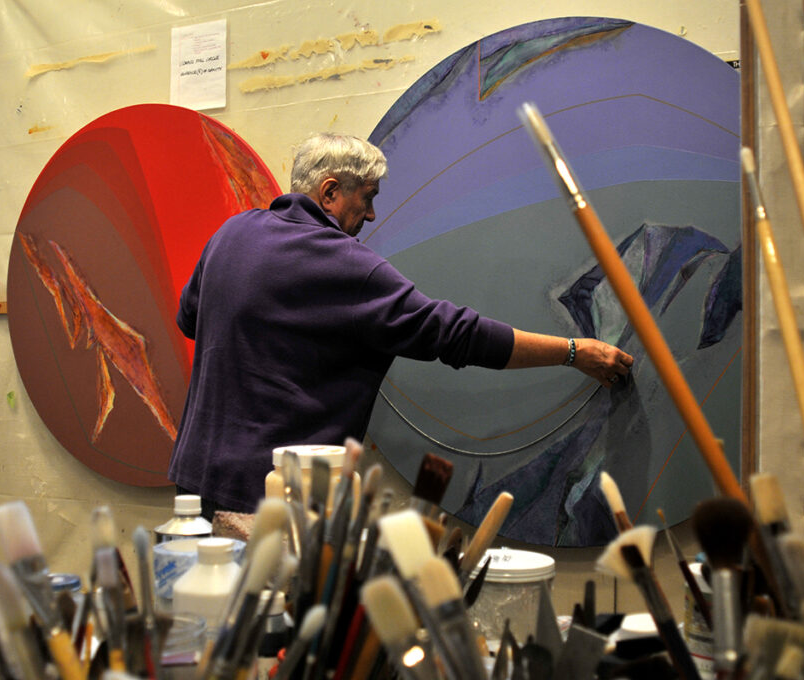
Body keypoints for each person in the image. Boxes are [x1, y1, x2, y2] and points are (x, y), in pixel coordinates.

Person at [168, 133, 634, 518]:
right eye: (366, 198)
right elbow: (458, 334)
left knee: (207, 619)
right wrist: (574, 351)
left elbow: (190, 319)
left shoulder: (231, 234)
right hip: (273, 498)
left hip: (193, 483)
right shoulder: (345, 266)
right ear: (330, 192)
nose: (370, 215)